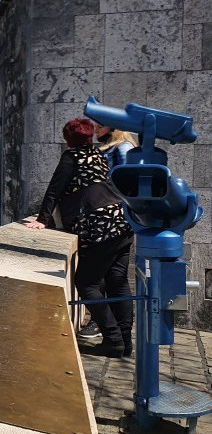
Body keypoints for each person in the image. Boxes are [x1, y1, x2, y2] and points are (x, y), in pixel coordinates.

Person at [24, 118, 134, 357]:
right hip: (122, 218)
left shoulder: (71, 157)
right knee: (118, 281)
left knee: (87, 283)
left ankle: (114, 340)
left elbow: (54, 190)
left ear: (68, 139)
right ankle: (126, 342)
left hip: (99, 225)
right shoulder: (97, 154)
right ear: (90, 137)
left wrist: (42, 220)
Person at [76, 122, 138, 341]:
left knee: (92, 280)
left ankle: (110, 330)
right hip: (120, 220)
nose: (96, 131)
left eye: (100, 127)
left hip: (111, 221)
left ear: (113, 128)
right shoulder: (116, 147)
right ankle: (124, 338)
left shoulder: (122, 149)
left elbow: (125, 185)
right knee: (116, 278)